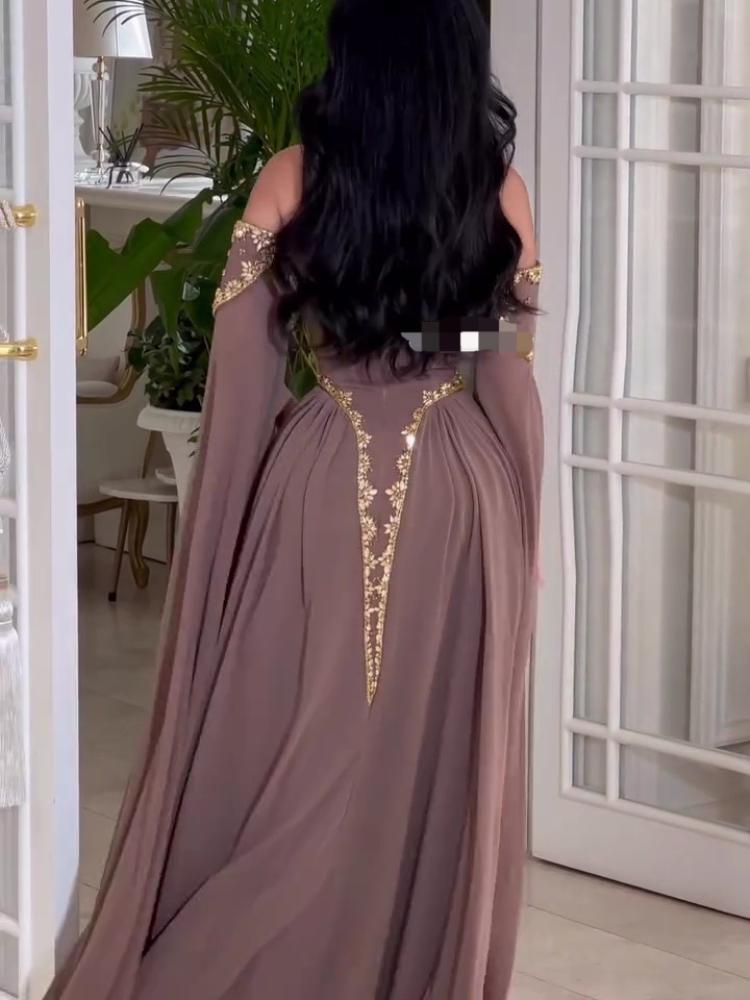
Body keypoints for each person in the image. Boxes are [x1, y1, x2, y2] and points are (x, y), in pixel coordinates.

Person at [46, 0, 542, 997]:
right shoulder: (496, 189)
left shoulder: (294, 176)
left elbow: (245, 366)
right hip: (459, 488)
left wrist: (232, 505)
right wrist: (522, 519)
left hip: (324, 467)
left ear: (351, 58)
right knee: (425, 744)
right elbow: (502, 362)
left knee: (299, 742)